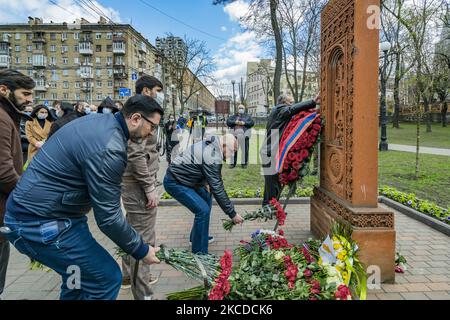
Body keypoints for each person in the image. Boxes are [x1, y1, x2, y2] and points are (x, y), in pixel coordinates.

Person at [2, 94, 163, 300]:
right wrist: (141, 250)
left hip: (48, 215)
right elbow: (108, 218)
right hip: (41, 222)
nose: (152, 133)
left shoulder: (101, 123)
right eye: (152, 126)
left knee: (77, 280)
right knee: (105, 278)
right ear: (135, 119)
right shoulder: (109, 147)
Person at [120, 75, 164, 300]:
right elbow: (135, 153)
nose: (158, 94)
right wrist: (149, 187)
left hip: (135, 182)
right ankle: (144, 293)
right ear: (146, 90)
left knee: (132, 232)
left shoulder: (134, 111)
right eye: (156, 90)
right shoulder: (140, 117)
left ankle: (128, 275)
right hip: (139, 183)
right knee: (144, 240)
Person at [164, 134, 244, 254]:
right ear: (223, 146)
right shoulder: (212, 156)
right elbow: (218, 188)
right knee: (202, 210)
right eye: (232, 151)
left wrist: (205, 181)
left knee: (206, 197)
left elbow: (200, 166)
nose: (232, 155)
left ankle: (196, 238)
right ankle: (200, 253)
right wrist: (232, 214)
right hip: (176, 182)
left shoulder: (212, 145)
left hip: (189, 180)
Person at [0, 69, 35, 299]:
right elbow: (3, 172)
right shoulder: (2, 118)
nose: (30, 99)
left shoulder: (6, 115)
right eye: (24, 93)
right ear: (4, 90)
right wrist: (29, 197)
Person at [261, 94, 320, 205]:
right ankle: (269, 208)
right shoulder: (279, 110)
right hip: (269, 152)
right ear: (283, 103)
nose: (292, 105)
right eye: (290, 102)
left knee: (272, 184)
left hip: (270, 151)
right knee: (272, 184)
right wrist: (312, 101)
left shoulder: (278, 112)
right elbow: (291, 110)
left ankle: (269, 207)